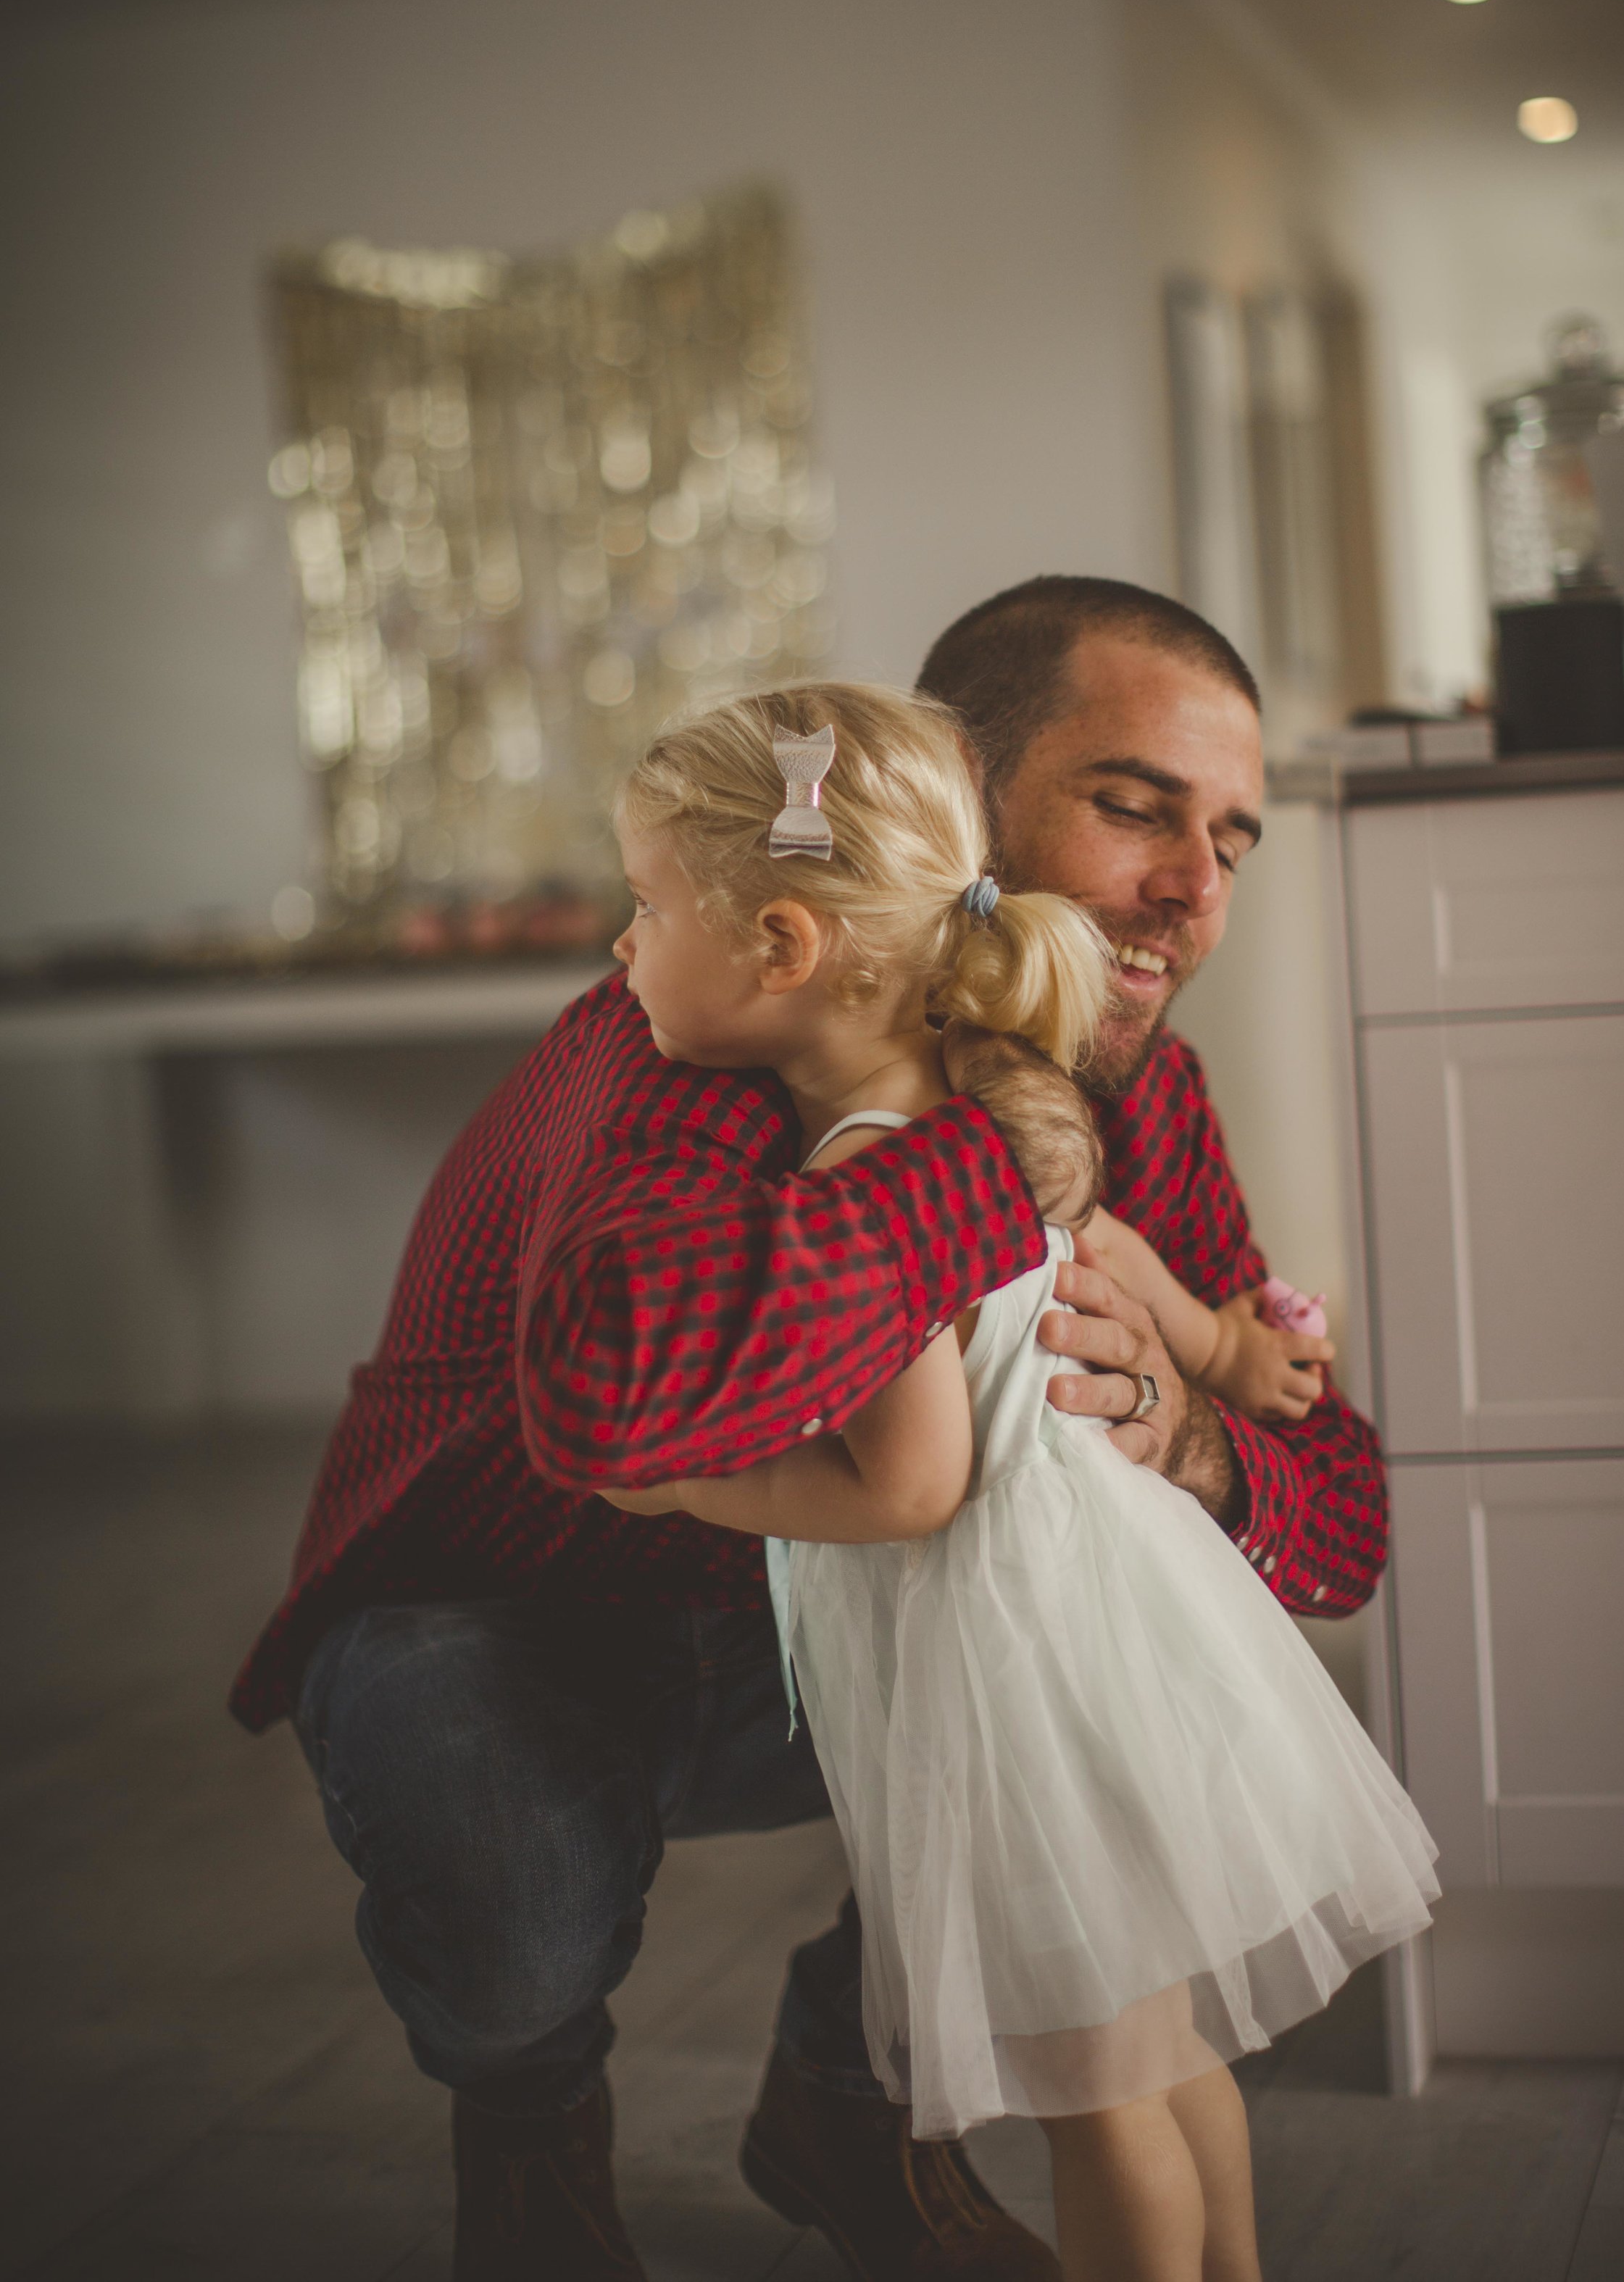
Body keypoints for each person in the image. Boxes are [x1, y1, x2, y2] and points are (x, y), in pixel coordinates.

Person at [230, 575, 1390, 2282]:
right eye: (1133, 808)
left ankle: (842, 2102)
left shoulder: (1137, 1085)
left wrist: (1184, 1425)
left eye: (1230, 840)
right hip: (513, 1607)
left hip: (860, 1625)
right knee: (505, 1898)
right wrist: (998, 1167)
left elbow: (1342, 1531)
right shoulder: (692, 1036)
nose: (1191, 893)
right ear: (943, 799)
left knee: (1082, 1718)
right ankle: (533, 2116)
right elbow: (613, 1394)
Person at [597, 682, 1436, 2282]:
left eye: (643, 910)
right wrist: (1220, 1347)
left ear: (781, 947)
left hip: (1012, 1669)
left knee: (1094, 2100)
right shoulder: (987, 1102)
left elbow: (911, 1484)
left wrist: (691, 1487)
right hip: (1108, 1624)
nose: (621, 949)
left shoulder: (855, 1172)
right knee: (1162, 2052)